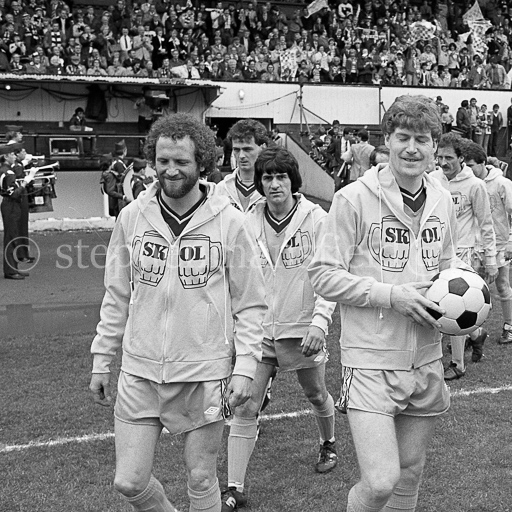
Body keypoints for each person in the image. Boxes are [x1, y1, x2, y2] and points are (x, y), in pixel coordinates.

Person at [89, 113, 267, 512]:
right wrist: (103, 359)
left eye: (181, 162)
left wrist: (245, 368)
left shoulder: (230, 222)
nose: (170, 170)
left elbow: (252, 303)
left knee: (202, 476)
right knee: (129, 481)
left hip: (204, 372)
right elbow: (117, 294)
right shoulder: (132, 217)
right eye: (162, 160)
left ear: (203, 163)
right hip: (140, 371)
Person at [308, 94, 457, 512]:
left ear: (434, 147)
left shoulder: (443, 200)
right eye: (403, 137)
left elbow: (448, 267)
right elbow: (322, 274)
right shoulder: (353, 198)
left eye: (423, 140)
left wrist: (465, 298)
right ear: (386, 141)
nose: (413, 148)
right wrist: (390, 295)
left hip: (426, 356)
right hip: (371, 360)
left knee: (409, 472)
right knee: (379, 482)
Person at [221, 146, 338, 511]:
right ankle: (234, 488)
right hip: (257, 332)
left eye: (281, 177)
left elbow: (329, 276)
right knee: (245, 405)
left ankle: (328, 443)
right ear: (259, 183)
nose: (274, 185)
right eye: (267, 177)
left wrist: (319, 322)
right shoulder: (246, 220)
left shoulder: (317, 219)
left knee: (316, 394)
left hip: (301, 331)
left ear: (293, 181)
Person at [430, 133, 497, 379]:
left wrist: (491, 261)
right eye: (440, 157)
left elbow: (486, 224)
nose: (443, 162)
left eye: (449, 157)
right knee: (437, 305)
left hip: (463, 253)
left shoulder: (475, 186)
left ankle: (457, 365)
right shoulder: (432, 180)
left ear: (461, 158)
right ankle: (477, 335)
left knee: (453, 305)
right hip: (435, 252)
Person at [462, 140, 512, 346]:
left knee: (502, 285)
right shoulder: (465, 183)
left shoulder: (502, 183)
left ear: (481, 163)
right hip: (472, 245)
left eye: (470, 165)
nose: (467, 169)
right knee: (470, 289)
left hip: (497, 245)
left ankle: (509, 326)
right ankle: (473, 332)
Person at [219, 119, 270, 212]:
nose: (241, 156)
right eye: (236, 150)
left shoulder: (274, 187)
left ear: (263, 148)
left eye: (247, 149)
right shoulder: (221, 189)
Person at [1, 143, 33, 280]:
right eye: (12, 154)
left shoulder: (6, 170)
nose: (14, 156)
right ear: (6, 156)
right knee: (11, 238)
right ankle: (10, 270)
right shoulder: (7, 172)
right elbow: (13, 193)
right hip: (11, 205)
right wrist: (26, 181)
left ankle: (13, 268)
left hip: (11, 205)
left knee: (13, 237)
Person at [102, 140, 129, 217]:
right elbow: (123, 180)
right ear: (124, 151)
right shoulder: (119, 164)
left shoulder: (116, 162)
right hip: (119, 195)